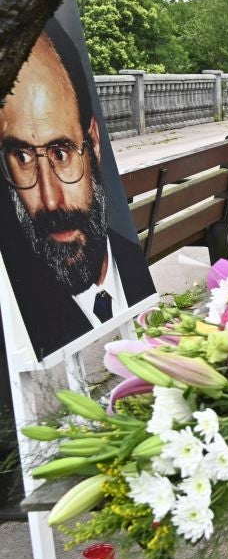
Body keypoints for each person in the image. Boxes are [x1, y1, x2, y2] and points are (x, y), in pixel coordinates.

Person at [0, 31, 156, 359]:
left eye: (61, 152)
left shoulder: (132, 267)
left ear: (94, 143)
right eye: (24, 158)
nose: (51, 199)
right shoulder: (21, 301)